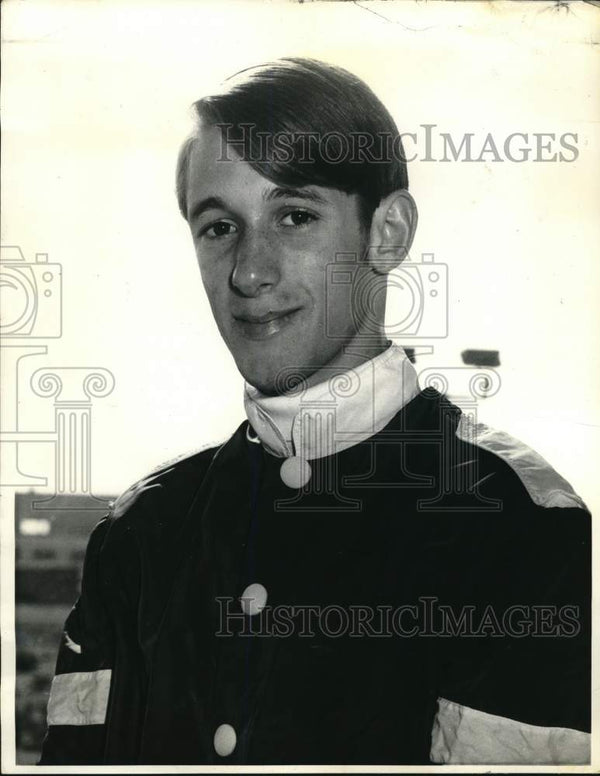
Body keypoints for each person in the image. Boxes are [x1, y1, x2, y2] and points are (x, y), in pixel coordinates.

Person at [40, 58, 590, 766]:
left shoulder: (521, 532)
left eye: (294, 216)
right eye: (218, 228)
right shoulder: (139, 536)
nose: (248, 271)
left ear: (386, 233)